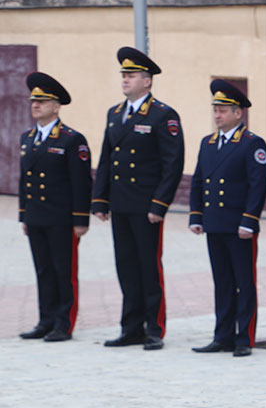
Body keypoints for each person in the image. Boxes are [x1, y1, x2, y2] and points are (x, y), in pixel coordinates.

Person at [91, 46, 185, 351]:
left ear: (147, 81)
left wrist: (160, 204)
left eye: (131, 75)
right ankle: (130, 327)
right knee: (126, 266)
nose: (125, 79)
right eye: (124, 75)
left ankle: (154, 328)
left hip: (146, 206)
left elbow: (172, 163)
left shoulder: (162, 115)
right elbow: (107, 158)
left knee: (148, 266)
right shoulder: (114, 113)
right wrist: (100, 198)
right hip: (121, 203)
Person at [188, 80, 266, 358]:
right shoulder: (208, 143)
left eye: (223, 110)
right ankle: (222, 336)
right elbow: (198, 180)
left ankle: (244, 337)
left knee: (243, 282)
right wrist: (196, 215)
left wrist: (249, 220)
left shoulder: (251, 143)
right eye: (215, 110)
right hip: (214, 223)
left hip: (239, 226)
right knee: (222, 282)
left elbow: (258, 185)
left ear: (238, 113)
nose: (217, 115)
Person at [17, 72, 91, 342]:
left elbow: (81, 182)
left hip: (62, 218)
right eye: (33, 101)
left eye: (42, 101)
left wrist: (81, 219)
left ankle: (63, 323)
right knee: (43, 270)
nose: (35, 105)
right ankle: (45, 320)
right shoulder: (27, 138)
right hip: (36, 216)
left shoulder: (71, 139)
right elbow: (24, 179)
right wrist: (24, 215)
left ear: (56, 106)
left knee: (63, 271)